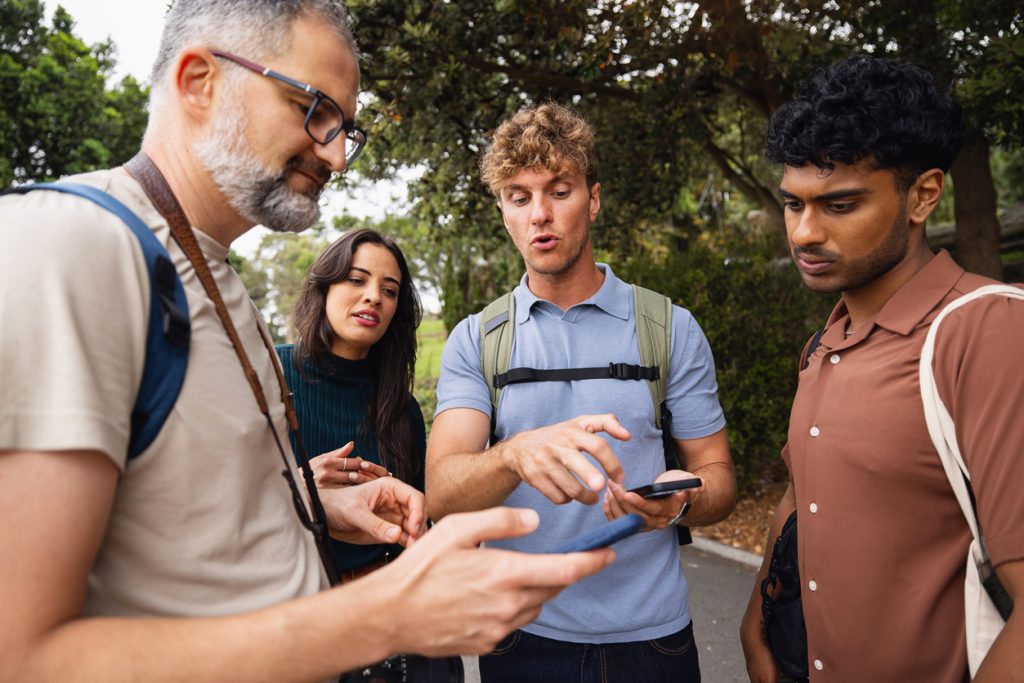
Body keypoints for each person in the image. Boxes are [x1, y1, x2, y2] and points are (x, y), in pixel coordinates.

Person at [0, 2, 616, 681]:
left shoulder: (216, 280)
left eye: (345, 130)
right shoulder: (73, 248)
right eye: (316, 110)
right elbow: (23, 656)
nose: (333, 155)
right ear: (199, 81)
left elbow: (181, 543)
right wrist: (387, 614)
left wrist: (311, 508)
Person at [426, 102, 738, 683]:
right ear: (503, 212)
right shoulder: (477, 340)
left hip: (654, 642)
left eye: (559, 191)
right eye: (519, 197)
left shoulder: (669, 327)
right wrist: (515, 453)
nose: (540, 214)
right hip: (522, 638)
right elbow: (442, 493)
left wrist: (683, 500)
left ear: (593, 199)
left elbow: (717, 477)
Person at [739, 54, 1024, 683]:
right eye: (793, 204)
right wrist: (759, 618)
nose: (805, 232)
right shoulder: (823, 343)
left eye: (839, 205)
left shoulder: (988, 331)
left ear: (923, 195)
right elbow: (800, 492)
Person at [278, 228, 426, 580]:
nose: (373, 297)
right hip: (286, 598)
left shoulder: (403, 409)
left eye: (389, 291)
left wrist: (393, 500)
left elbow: (421, 527)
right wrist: (302, 486)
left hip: (381, 599)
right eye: (357, 280)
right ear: (324, 287)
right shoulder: (271, 372)